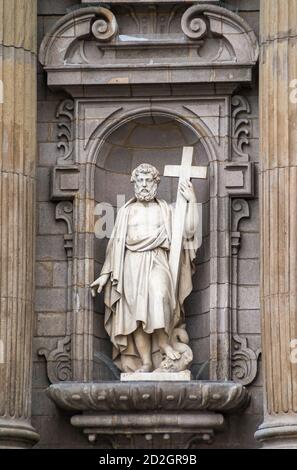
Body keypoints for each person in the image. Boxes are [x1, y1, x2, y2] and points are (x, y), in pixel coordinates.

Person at [91, 163, 198, 373]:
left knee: (159, 296)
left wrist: (192, 200)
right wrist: (105, 275)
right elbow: (115, 246)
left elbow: (189, 230)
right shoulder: (126, 211)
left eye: (148, 180)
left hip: (158, 259)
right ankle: (147, 361)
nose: (144, 185)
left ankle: (163, 343)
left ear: (156, 183)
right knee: (135, 313)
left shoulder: (166, 209)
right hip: (131, 263)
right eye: (140, 180)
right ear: (134, 183)